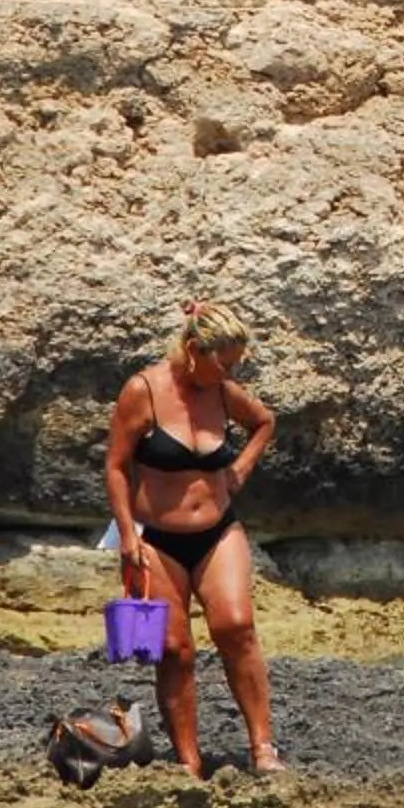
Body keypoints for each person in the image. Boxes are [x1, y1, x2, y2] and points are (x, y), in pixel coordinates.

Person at [104, 298, 284, 775]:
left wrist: (239, 471)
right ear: (192, 349)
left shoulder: (222, 391)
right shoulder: (142, 390)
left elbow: (264, 422)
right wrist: (127, 535)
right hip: (156, 540)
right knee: (174, 649)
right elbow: (117, 466)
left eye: (234, 364)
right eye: (222, 362)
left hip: (218, 531)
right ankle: (188, 761)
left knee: (235, 626)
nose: (228, 372)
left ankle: (263, 748)